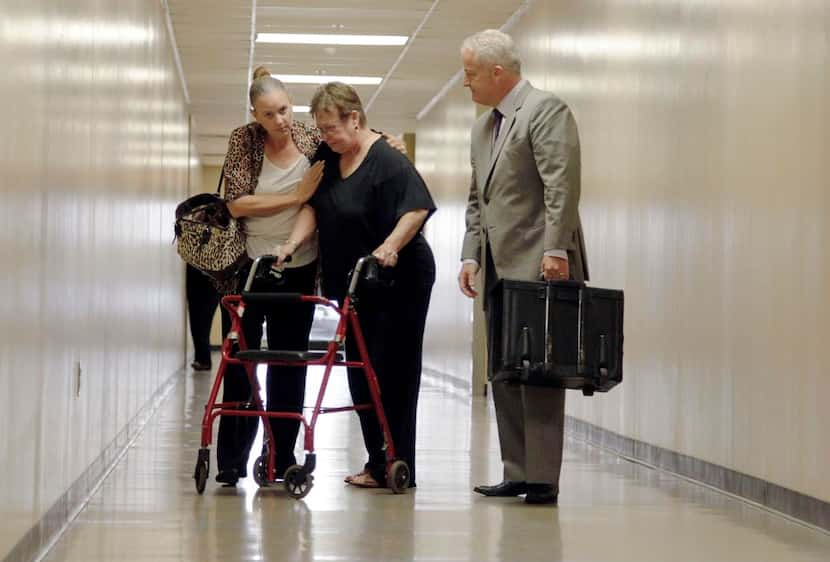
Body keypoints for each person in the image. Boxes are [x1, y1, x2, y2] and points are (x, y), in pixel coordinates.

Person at [214, 67, 408, 486]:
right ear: (254, 115)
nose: (279, 121)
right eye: (268, 114)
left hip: (300, 267)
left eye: (284, 110)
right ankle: (230, 460)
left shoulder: (310, 140)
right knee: (240, 366)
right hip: (250, 266)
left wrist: (389, 142)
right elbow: (235, 205)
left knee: (290, 364)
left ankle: (282, 454)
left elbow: (354, 142)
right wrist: (294, 195)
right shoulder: (244, 141)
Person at [457, 30, 589, 505]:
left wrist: (557, 249)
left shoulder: (544, 110)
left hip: (539, 263)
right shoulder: (481, 127)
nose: (465, 84)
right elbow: (478, 199)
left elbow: (561, 186)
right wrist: (471, 254)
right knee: (504, 370)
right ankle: (516, 470)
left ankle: (542, 478)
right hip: (496, 268)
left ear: (498, 72)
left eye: (470, 74)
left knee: (541, 373)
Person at [308, 82, 436, 489]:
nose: (325, 136)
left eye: (330, 128)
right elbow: (312, 204)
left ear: (355, 119)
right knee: (361, 372)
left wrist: (390, 246)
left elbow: (416, 208)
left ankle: (400, 463)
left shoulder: (388, 159)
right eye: (321, 129)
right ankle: (378, 460)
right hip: (357, 281)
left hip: (399, 276)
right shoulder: (328, 157)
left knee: (393, 370)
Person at [186, 263, 220, 371]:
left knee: (203, 321)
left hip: (211, 278)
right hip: (197, 274)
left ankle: (203, 359)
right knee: (196, 321)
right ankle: (201, 358)